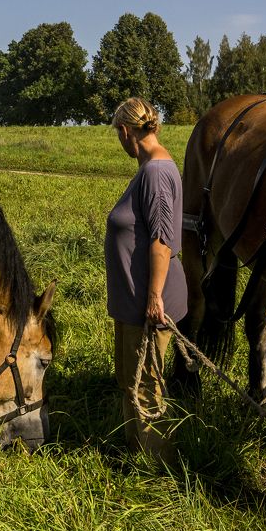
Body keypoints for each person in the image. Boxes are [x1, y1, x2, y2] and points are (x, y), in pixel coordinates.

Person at [105, 97, 188, 460]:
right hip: (133, 302)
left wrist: (154, 296)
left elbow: (162, 238)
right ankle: (135, 451)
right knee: (130, 380)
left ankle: (158, 464)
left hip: (148, 302)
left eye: (117, 135)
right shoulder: (148, 169)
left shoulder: (155, 172)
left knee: (146, 386)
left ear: (126, 132)